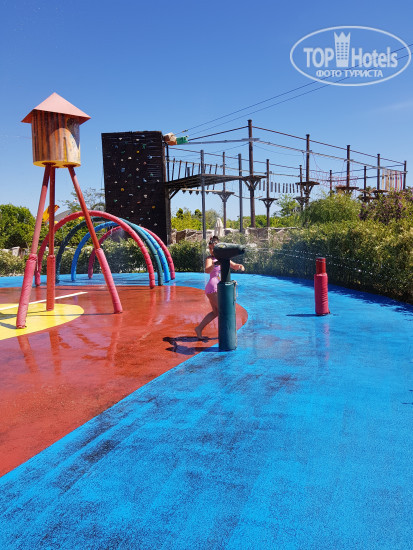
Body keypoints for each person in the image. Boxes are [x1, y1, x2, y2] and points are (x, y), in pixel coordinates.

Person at [195, 236, 245, 340]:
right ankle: (227, 334)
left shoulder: (223, 258)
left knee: (216, 312)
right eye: (210, 248)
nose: (211, 250)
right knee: (224, 310)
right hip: (213, 288)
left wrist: (240, 266)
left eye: (213, 248)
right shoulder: (210, 259)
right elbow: (207, 270)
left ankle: (199, 328)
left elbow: (234, 265)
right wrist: (214, 264)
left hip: (218, 287)